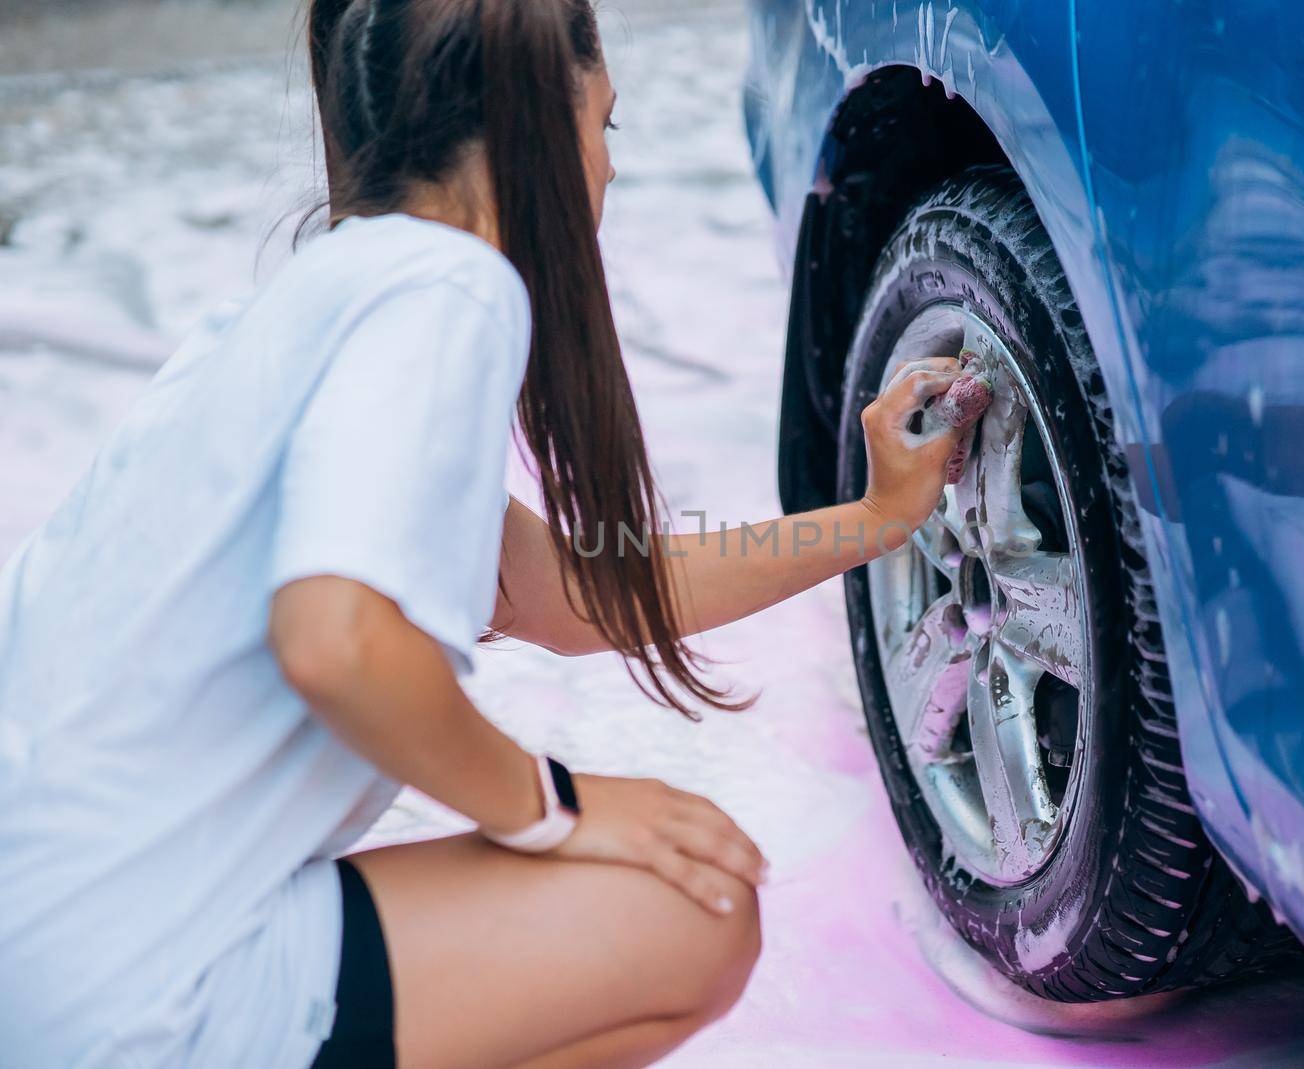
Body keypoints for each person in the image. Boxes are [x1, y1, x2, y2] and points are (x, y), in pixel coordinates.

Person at [0, 1, 973, 1067]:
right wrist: (550, 806)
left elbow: (582, 593)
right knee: (691, 911)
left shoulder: (306, 310)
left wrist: (874, 520)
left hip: (45, 946)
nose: (607, 169)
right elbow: (336, 638)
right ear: (539, 124)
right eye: (607, 127)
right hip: (122, 983)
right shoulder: (445, 286)